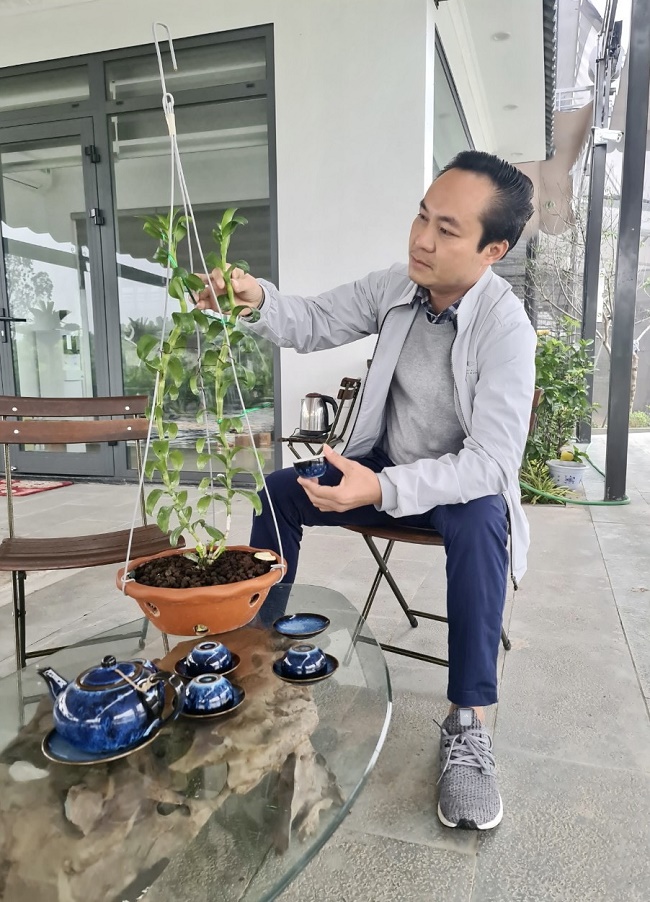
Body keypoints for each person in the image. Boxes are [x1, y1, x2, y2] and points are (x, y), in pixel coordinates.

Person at [197, 150, 536, 831]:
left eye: (446, 229)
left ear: (493, 251)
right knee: (277, 491)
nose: (422, 239)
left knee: (482, 522)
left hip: (454, 487)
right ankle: (257, 664)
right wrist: (256, 298)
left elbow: (491, 465)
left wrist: (379, 488)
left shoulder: (507, 330)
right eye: (421, 216)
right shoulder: (398, 285)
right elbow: (315, 319)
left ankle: (469, 725)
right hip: (383, 463)